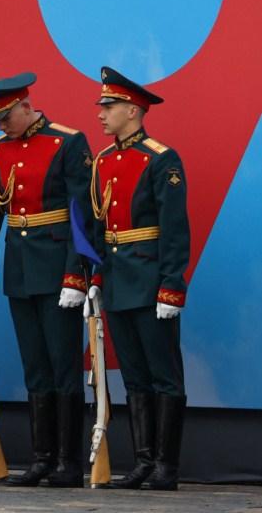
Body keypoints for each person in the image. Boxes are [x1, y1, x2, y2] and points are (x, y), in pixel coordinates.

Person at [0, 72, 91, 487]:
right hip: (20, 268)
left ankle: (68, 462)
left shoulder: (66, 142)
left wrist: (76, 273)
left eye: (4, 116)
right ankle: (42, 458)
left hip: (58, 267)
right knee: (35, 367)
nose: (0, 126)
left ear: (25, 104)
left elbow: (81, 216)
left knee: (63, 365)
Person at [92, 67, 188, 491]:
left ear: (133, 110)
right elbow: (98, 226)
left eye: (109, 106)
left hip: (150, 279)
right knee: (132, 375)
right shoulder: (104, 159)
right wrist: (96, 277)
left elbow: (174, 228)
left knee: (163, 374)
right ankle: (143, 462)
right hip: (116, 279)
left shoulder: (160, 158)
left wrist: (171, 284)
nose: (101, 114)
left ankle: (166, 465)